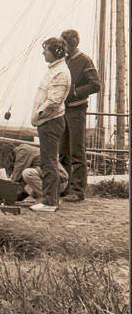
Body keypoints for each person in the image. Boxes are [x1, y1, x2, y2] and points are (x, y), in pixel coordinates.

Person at [29, 36, 71, 212]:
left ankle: (50, 201)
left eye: (46, 49)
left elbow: (54, 101)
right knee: (47, 161)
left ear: (56, 52)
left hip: (50, 121)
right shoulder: (55, 70)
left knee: (49, 162)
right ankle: (49, 199)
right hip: (48, 121)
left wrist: (39, 115)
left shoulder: (60, 72)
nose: (43, 53)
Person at [58, 29, 100, 202]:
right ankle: (65, 188)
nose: (62, 48)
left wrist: (74, 92)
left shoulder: (84, 60)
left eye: (64, 44)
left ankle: (78, 190)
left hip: (76, 110)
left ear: (71, 43)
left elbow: (95, 84)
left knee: (77, 150)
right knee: (63, 151)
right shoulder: (64, 61)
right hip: (63, 110)